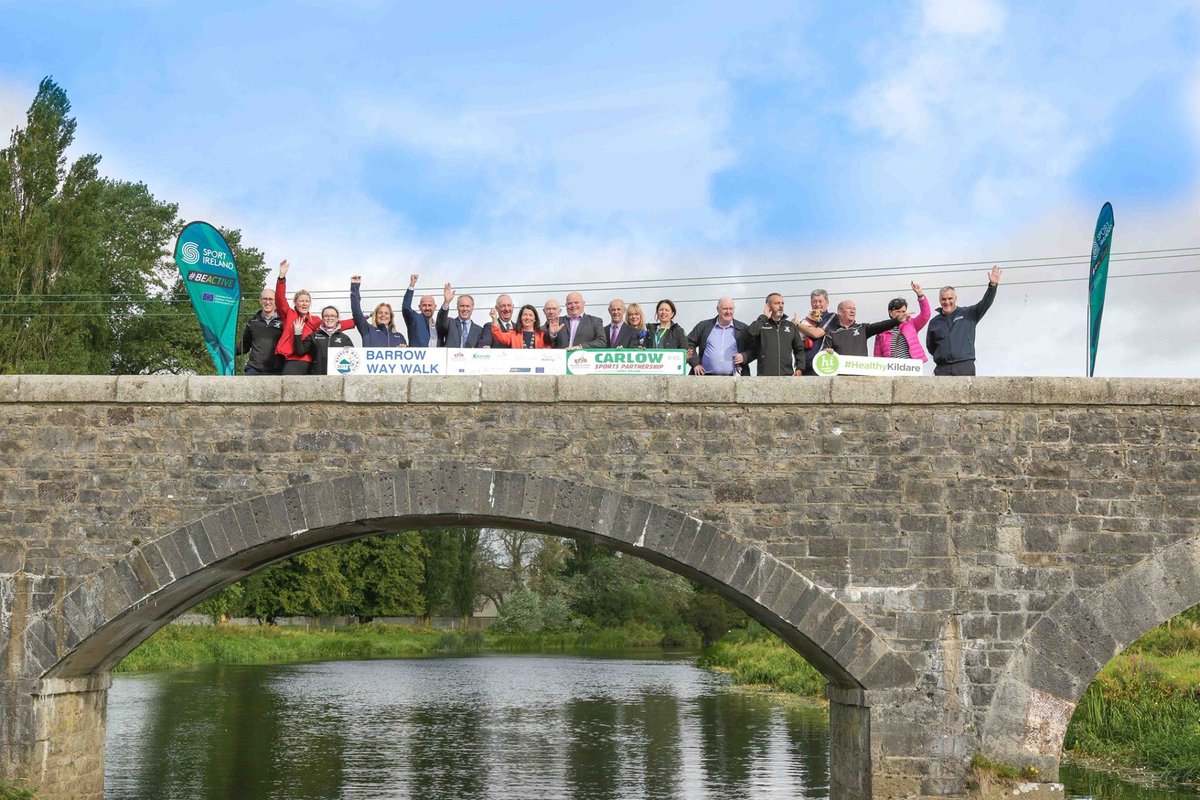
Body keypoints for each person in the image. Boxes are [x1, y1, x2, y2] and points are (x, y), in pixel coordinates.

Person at [275, 259, 354, 375]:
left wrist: (359, 321)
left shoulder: (315, 320)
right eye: (301, 301)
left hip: (312, 359)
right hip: (294, 358)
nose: (304, 304)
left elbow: (335, 323)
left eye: (307, 301)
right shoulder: (289, 314)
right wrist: (281, 278)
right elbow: (280, 299)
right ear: (295, 303)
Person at [926, 266, 1001, 375]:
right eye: (943, 299)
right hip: (942, 368)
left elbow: (985, 303)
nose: (947, 302)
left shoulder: (969, 313)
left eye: (950, 298)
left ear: (955, 299)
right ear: (939, 300)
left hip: (964, 366)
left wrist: (992, 286)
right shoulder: (934, 322)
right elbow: (931, 346)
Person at [803, 299, 901, 357]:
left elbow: (880, 326)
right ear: (840, 312)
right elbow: (823, 353)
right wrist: (827, 352)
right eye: (849, 308)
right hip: (840, 378)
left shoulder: (862, 329)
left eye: (854, 309)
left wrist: (897, 320)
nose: (852, 311)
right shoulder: (831, 333)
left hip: (861, 377)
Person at [746, 293, 805, 375]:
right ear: (768, 306)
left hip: (787, 376)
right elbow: (751, 332)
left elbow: (799, 349)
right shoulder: (761, 324)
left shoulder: (790, 326)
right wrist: (764, 317)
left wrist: (800, 368)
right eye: (777, 303)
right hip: (765, 377)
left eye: (782, 303)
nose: (781, 306)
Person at [688, 297, 750, 376]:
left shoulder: (743, 329)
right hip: (705, 378)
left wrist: (744, 356)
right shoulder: (703, 326)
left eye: (731, 309)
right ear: (718, 309)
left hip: (734, 379)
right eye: (725, 309)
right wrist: (695, 363)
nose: (728, 312)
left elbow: (754, 348)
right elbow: (688, 343)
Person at [874, 283, 931, 362]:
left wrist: (920, 295)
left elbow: (925, 315)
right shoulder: (882, 330)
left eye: (903, 311)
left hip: (910, 366)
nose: (901, 314)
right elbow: (877, 356)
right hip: (891, 367)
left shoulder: (911, 325)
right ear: (890, 313)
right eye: (898, 311)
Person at [294, 306, 355, 375]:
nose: (329, 318)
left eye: (332, 316)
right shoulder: (314, 336)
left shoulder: (345, 338)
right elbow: (300, 351)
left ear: (337, 318)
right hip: (317, 376)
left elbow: (352, 360)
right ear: (322, 318)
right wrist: (297, 333)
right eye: (326, 316)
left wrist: (349, 352)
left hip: (337, 376)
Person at [238, 287, 284, 375]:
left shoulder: (284, 321)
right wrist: (225, 349)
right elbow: (244, 346)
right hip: (255, 369)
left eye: (271, 299)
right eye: (265, 299)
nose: (267, 302)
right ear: (260, 301)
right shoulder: (252, 322)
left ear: (276, 302)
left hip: (277, 370)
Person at [351, 276, 407, 347]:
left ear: (390, 317)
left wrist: (405, 348)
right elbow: (357, 312)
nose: (383, 315)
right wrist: (355, 287)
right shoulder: (367, 330)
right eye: (380, 313)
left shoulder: (399, 336)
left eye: (386, 313)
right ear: (375, 315)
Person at [436, 282, 485, 347]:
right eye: (462, 306)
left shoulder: (479, 330)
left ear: (472, 308)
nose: (465, 309)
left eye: (467, 306)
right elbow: (441, 320)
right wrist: (446, 302)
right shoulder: (450, 323)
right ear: (457, 307)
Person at [800, 289, 836, 376]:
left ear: (827, 302)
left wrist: (797, 324)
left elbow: (816, 334)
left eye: (820, 301)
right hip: (805, 367)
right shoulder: (804, 322)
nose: (817, 304)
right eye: (814, 302)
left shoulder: (831, 316)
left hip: (822, 366)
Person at [487, 304, 554, 349]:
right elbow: (499, 336)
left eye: (530, 315)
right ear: (520, 318)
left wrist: (553, 332)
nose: (527, 318)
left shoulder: (542, 335)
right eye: (525, 315)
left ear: (535, 319)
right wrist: (494, 318)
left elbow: (552, 343)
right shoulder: (513, 334)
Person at [402, 274, 439, 347]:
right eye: (424, 305)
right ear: (419, 307)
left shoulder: (438, 325)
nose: (427, 308)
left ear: (435, 307)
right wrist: (412, 284)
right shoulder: (414, 319)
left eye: (430, 305)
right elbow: (406, 307)